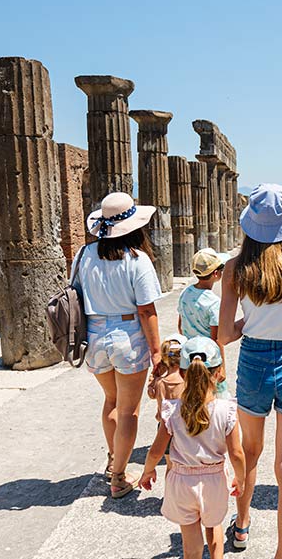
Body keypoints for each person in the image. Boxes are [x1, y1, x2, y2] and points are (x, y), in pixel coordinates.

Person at [217, 183, 282, 558]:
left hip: (253, 364)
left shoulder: (235, 268)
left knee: (249, 453)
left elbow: (227, 334)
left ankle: (243, 526)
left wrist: (252, 320)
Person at [74, 192, 163, 499]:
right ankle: (119, 478)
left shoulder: (84, 254)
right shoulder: (137, 260)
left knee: (111, 400)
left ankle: (115, 459)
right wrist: (157, 352)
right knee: (129, 411)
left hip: (95, 333)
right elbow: (146, 311)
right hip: (128, 336)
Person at [140, 337, 246, 559]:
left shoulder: (172, 410)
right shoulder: (226, 410)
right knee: (214, 527)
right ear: (218, 373)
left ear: (181, 372)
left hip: (182, 482)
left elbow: (157, 450)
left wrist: (148, 470)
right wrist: (241, 478)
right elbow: (236, 453)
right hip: (214, 481)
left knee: (191, 541)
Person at [179, 248, 230, 397]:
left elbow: (180, 325)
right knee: (216, 396)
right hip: (209, 358)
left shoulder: (185, 293)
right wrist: (222, 367)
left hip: (189, 354)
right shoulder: (214, 302)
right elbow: (217, 339)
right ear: (215, 274)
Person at [148, 335, 187, 422]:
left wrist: (154, 376)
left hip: (163, 427)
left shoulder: (159, 382)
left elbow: (151, 394)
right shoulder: (187, 383)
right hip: (183, 428)